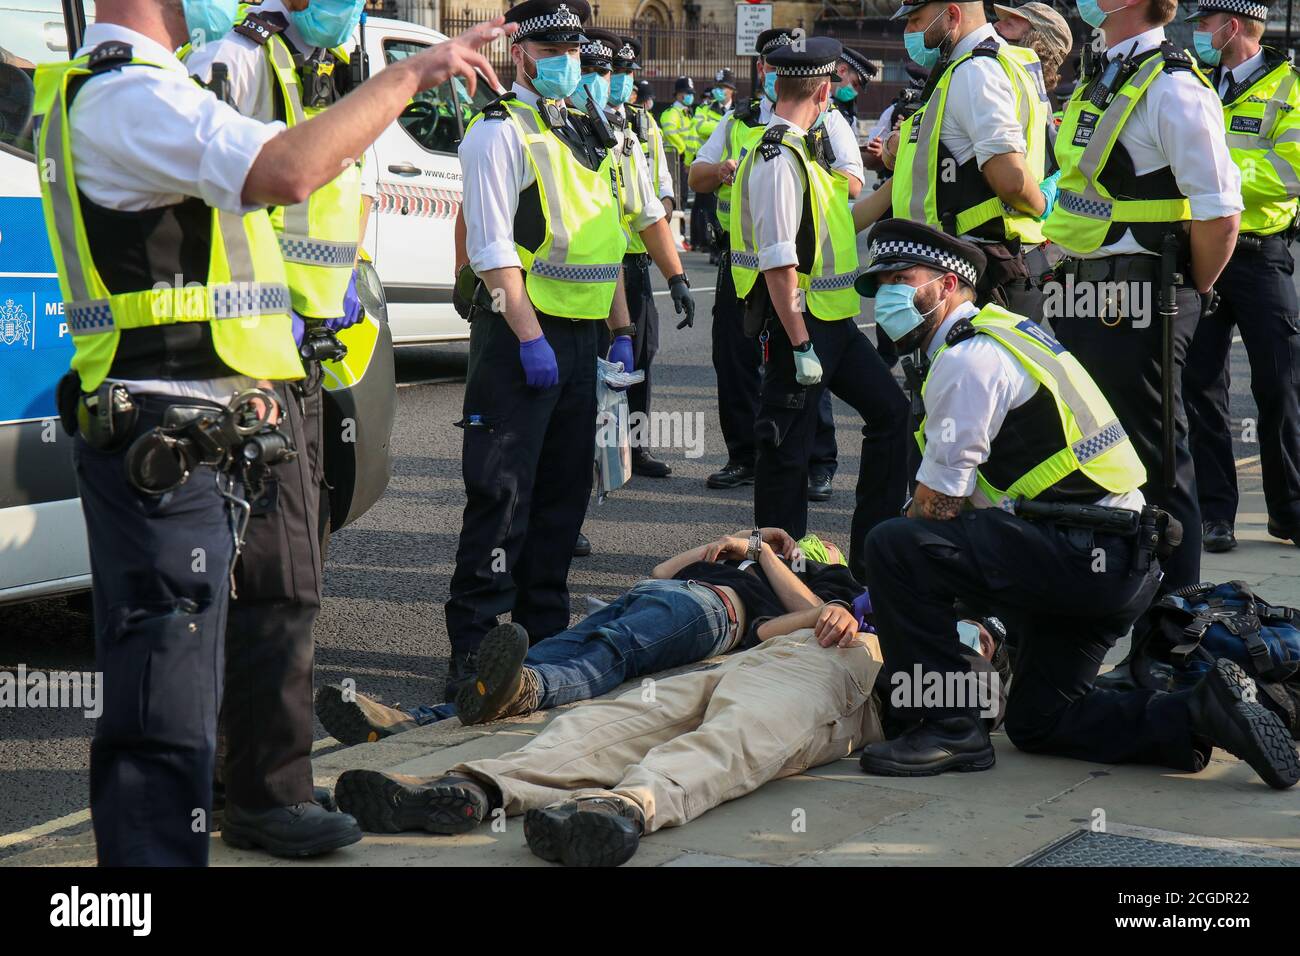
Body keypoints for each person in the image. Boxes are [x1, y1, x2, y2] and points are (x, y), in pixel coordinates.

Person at [32, 0, 501, 865]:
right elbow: (286, 172)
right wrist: (410, 74)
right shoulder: (132, 95)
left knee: (190, 682)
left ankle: (249, 794)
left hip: (220, 409)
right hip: (168, 434)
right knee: (161, 719)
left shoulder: (140, 88)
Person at [853, 220, 1299, 792]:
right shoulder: (1010, 332)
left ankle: (948, 726)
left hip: (1084, 555)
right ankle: (1199, 710)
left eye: (900, 279)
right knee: (1040, 722)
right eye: (881, 283)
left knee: (893, 546)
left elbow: (938, 506)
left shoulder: (969, 362)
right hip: (1114, 559)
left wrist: (882, 597)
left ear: (946, 285)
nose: (887, 294)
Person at [182, 0, 373, 858]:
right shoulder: (242, 59)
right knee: (281, 580)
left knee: (277, 573)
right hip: (252, 351)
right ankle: (268, 795)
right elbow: (206, 207)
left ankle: (243, 775)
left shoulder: (325, 66)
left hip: (304, 346)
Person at [445, 0, 636, 700]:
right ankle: (475, 650)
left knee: (561, 497)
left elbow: (605, 238)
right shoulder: (498, 132)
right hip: (520, 335)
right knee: (501, 495)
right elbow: (492, 250)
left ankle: (544, 640)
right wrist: (529, 337)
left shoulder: (588, 131)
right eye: (551, 48)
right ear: (519, 54)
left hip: (579, 336)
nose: (566, 59)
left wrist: (619, 328)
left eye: (574, 48)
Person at [1041, 0, 1243, 591]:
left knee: (1157, 463)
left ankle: (1175, 623)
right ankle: (1113, 592)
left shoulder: (1175, 86)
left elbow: (1221, 212)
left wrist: (1191, 292)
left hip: (1142, 292)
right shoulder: (1107, 69)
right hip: (1082, 288)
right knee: (1095, 451)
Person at [316, 528, 865, 741]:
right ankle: (413, 723)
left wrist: (769, 554)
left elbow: (804, 616)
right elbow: (658, 575)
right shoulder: (743, 562)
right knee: (550, 647)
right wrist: (719, 546)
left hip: (712, 613)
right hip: (655, 594)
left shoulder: (824, 578)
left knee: (612, 652)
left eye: (820, 546)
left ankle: (527, 691)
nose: (813, 545)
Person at [729, 36, 909, 582]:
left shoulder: (807, 150)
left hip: (833, 322)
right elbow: (780, 261)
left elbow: (842, 223)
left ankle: (868, 561)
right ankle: (777, 579)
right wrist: (801, 341)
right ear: (825, 90)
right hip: (799, 327)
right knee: (786, 451)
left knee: (892, 415)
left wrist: (903, 178)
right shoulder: (778, 155)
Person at [689, 29, 849, 498]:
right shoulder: (738, 120)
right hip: (738, 266)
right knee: (735, 362)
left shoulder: (826, 121)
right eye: (769, 63)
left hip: (800, 271)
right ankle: (745, 455)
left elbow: (851, 182)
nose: (773, 72)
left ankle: (817, 461)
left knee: (801, 364)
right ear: (764, 69)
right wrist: (724, 172)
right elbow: (697, 175)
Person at [1181, 0, 1300, 554]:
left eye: (1206, 23)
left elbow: (1292, 170)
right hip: (1201, 247)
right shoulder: (1192, 80)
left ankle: (1290, 511)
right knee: (1202, 386)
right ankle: (1215, 514)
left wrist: (1217, 170)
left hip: (1259, 253)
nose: (1199, 32)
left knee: (1279, 383)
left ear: (1234, 26)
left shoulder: (1289, 86)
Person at [853, 1, 1053, 319]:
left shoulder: (976, 72)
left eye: (916, 21)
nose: (909, 33)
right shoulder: (968, 68)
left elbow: (1011, 178)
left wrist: (1043, 204)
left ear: (952, 15)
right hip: (982, 260)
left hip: (984, 270)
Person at [577, 29, 693, 479]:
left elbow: (654, 203)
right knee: (590, 373)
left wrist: (676, 276)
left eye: (618, 71)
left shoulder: (635, 129)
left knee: (637, 359)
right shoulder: (558, 127)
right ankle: (590, 460)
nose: (612, 80)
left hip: (631, 266)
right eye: (602, 70)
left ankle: (631, 451)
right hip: (582, 274)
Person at [690, 68, 732, 260]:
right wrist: (724, 126)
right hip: (709, 165)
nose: (719, 91)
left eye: (723, 87)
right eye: (717, 87)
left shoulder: (737, 112)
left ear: (731, 90)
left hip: (730, 169)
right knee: (707, 209)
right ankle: (711, 247)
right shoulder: (705, 109)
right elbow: (698, 127)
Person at [992, 1, 1073, 97]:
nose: (996, 25)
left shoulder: (1002, 90)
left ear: (1036, 48)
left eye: (1009, 24)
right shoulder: (1035, 99)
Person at [657, 75, 697, 203]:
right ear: (679, 94)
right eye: (688, 93)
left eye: (692, 93)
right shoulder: (672, 113)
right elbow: (670, 132)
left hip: (685, 159)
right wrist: (684, 151)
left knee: (684, 194)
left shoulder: (685, 112)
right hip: (677, 159)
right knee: (680, 194)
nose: (691, 96)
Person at [832, 45, 877, 127]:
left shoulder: (849, 111)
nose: (855, 92)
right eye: (854, 84)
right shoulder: (813, 97)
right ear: (842, 70)